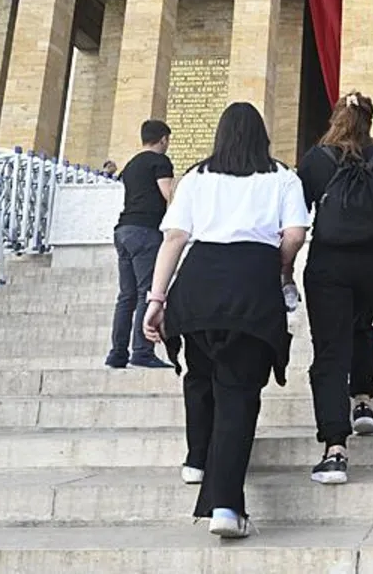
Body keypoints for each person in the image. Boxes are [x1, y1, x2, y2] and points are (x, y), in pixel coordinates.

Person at [142, 102, 308, 539]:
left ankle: (198, 458)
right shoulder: (282, 176)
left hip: (198, 281)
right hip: (251, 283)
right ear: (262, 135)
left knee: (200, 373)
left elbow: (175, 237)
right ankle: (227, 507)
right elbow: (294, 234)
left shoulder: (196, 177)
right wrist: (282, 268)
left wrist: (156, 298)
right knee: (237, 394)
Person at [296, 92, 373, 485]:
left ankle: (335, 450)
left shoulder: (315, 159)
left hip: (329, 263)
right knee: (361, 324)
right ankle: (362, 402)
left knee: (330, 351)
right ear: (369, 122)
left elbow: (297, 215)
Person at [105, 119, 174, 369]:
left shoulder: (132, 164)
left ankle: (117, 353)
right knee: (148, 291)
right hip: (146, 231)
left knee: (127, 295)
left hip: (123, 230)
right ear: (163, 139)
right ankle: (143, 351)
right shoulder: (160, 162)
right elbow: (168, 194)